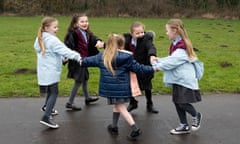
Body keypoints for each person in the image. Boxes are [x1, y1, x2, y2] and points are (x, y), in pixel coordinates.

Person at [81, 34, 156, 140]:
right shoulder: (127, 57)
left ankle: (135, 129)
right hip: (122, 88)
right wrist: (152, 69)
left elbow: (87, 61)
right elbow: (139, 68)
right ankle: (114, 126)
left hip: (111, 88)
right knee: (117, 106)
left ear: (109, 45)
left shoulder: (102, 56)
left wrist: (77, 60)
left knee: (121, 107)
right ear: (122, 46)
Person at [151, 19, 203, 134]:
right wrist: (158, 60)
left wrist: (156, 67)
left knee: (182, 102)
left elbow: (172, 62)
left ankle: (196, 115)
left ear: (174, 31)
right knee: (177, 101)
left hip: (184, 80)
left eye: (167, 31)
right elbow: (171, 59)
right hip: (178, 79)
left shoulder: (181, 46)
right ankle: (184, 125)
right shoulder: (176, 44)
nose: (166, 33)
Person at [34, 17, 82, 128]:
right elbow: (64, 50)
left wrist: (60, 59)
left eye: (57, 27)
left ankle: (47, 107)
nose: (57, 29)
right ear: (46, 28)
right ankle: (46, 117)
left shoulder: (40, 38)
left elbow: (48, 53)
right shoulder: (52, 40)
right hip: (51, 71)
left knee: (51, 91)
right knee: (54, 92)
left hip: (44, 70)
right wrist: (78, 56)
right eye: (54, 27)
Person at [64, 13, 104, 111]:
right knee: (78, 81)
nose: (85, 23)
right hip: (77, 61)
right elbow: (68, 46)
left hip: (85, 60)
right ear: (76, 23)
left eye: (86, 21)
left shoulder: (87, 33)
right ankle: (70, 102)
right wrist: (66, 57)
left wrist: (98, 41)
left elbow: (94, 38)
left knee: (85, 78)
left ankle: (87, 98)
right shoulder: (74, 34)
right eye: (82, 22)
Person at [123, 22, 159, 114]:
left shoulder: (146, 40)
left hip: (144, 66)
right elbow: (117, 45)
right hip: (132, 66)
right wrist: (104, 45)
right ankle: (133, 102)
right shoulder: (127, 40)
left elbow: (151, 47)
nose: (140, 35)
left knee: (147, 87)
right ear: (132, 34)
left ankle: (150, 104)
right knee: (130, 85)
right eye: (137, 33)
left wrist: (152, 55)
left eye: (142, 32)